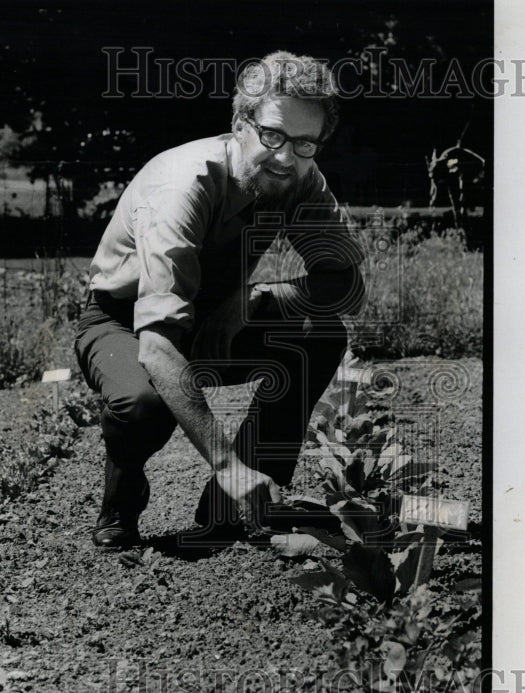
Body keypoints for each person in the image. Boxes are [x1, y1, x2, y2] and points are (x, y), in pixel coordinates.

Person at [74, 50, 364, 549]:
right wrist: (226, 463)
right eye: (272, 135)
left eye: (304, 143)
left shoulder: (299, 178)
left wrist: (253, 300)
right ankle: (123, 495)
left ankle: (234, 508)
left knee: (320, 334)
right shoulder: (183, 186)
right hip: (123, 322)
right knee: (143, 402)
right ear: (240, 123)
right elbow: (159, 347)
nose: (284, 156)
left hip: (212, 312)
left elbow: (346, 284)